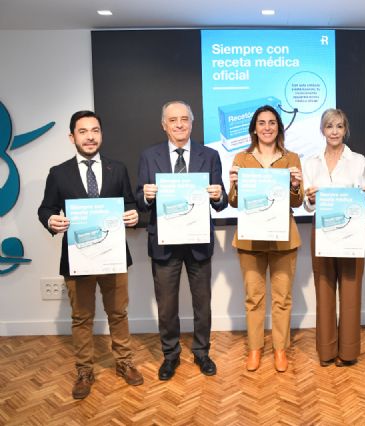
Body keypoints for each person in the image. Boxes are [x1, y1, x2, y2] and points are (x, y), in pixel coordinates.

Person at [38, 110, 143, 399]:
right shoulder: (58, 173)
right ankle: (85, 370)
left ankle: (124, 362)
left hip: (112, 255)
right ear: (72, 137)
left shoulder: (117, 169)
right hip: (77, 256)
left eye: (95, 130)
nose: (90, 136)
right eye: (83, 131)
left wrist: (133, 215)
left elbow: (131, 204)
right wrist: (51, 220)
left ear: (101, 134)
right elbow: (46, 208)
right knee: (82, 317)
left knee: (118, 312)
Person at [136, 100, 228, 381]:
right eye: (173, 120)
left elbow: (222, 201)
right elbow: (139, 199)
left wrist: (218, 195)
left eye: (184, 119)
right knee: (166, 305)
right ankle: (170, 355)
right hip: (164, 243)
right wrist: (148, 195)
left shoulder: (210, 155)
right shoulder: (149, 156)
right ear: (164, 124)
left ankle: (202, 352)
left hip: (198, 241)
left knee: (203, 303)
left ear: (192, 123)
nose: (179, 124)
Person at [228, 105, 304, 373]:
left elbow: (298, 201)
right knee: (254, 298)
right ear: (254, 128)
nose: (267, 127)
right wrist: (235, 183)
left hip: (284, 239)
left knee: (283, 298)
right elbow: (234, 201)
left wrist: (295, 186)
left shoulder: (291, 157)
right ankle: (255, 349)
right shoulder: (242, 158)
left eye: (272, 122)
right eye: (262, 123)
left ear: (279, 128)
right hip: (250, 241)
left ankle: (280, 350)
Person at [302, 108, 365, 367]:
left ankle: (349, 352)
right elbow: (307, 204)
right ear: (322, 130)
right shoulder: (310, 162)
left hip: (351, 234)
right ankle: (327, 351)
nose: (334, 131)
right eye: (329, 126)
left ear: (345, 130)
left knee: (352, 291)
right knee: (324, 289)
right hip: (321, 234)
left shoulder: (358, 161)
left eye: (339, 126)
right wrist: (309, 199)